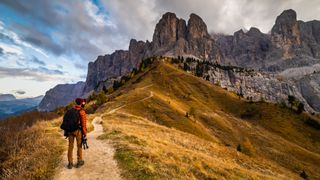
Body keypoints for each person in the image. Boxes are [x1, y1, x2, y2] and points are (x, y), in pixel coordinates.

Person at [67, 98, 87, 169]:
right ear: (81, 103)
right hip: (78, 131)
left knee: (70, 146)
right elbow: (83, 124)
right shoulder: (82, 112)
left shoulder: (70, 110)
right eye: (83, 103)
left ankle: (70, 163)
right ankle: (79, 161)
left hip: (70, 131)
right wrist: (84, 134)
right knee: (79, 146)